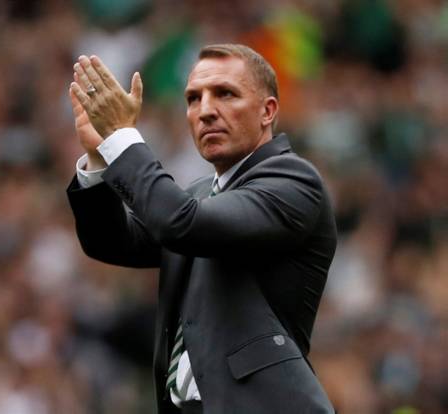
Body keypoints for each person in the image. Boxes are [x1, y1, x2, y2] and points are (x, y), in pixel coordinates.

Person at [66, 43, 337, 413]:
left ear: (268, 111)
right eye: (194, 99)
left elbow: (180, 223)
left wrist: (122, 138)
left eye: (225, 94)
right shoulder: (199, 196)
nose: (205, 110)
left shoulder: (293, 181)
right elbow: (111, 242)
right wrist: (100, 156)